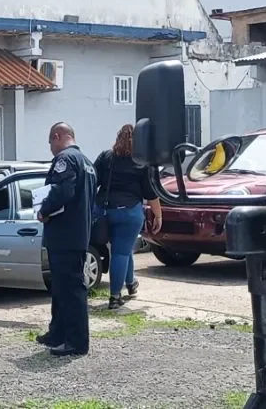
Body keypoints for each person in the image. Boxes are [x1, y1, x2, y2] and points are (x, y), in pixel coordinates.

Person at [36, 122, 96, 357]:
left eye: (51, 142)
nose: (51, 148)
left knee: (71, 289)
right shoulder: (87, 162)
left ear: (57, 136)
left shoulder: (66, 159)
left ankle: (76, 341)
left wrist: (44, 209)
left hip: (64, 234)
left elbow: (63, 191)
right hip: (77, 233)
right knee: (61, 288)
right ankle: (58, 333)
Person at [93, 124, 163, 310]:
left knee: (122, 249)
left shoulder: (105, 157)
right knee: (121, 252)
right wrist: (158, 215)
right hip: (129, 212)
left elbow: (93, 182)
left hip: (105, 210)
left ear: (117, 139)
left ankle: (131, 283)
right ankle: (115, 296)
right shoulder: (141, 162)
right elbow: (151, 193)